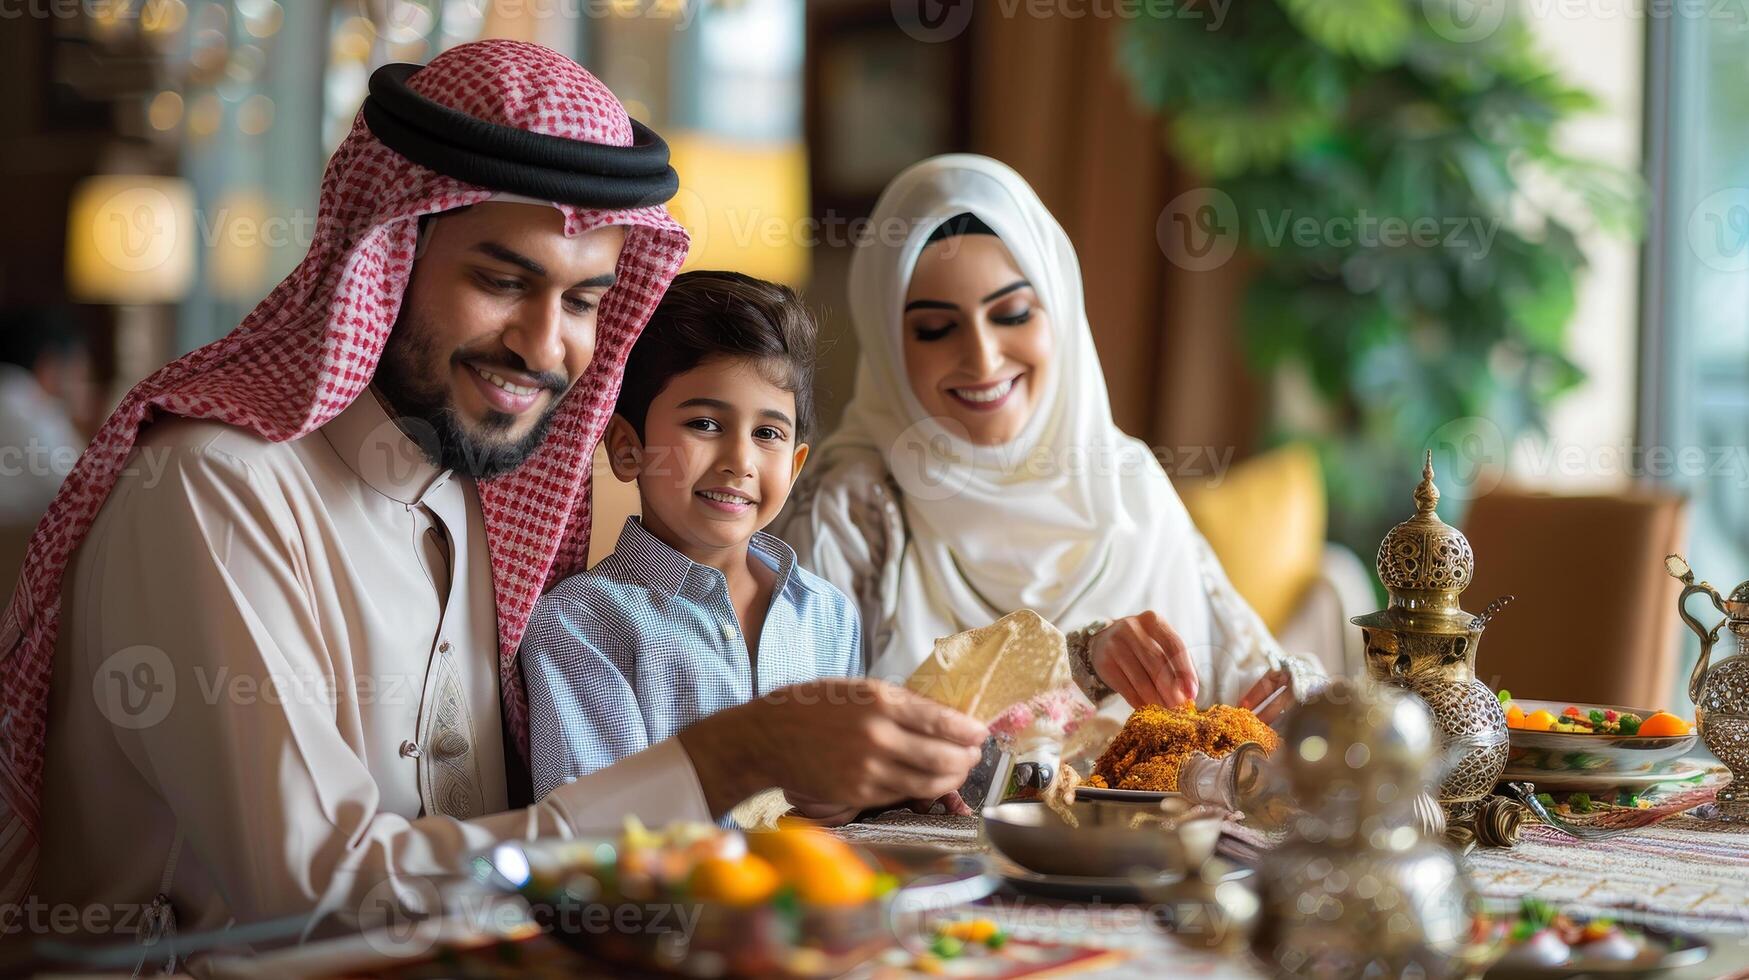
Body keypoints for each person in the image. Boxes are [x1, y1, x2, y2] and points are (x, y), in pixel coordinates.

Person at [0, 42, 982, 948]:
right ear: (387, 262)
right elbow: (314, 895)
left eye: (587, 301)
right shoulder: (218, 491)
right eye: (504, 279)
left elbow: (500, 849)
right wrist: (727, 756)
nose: (547, 344)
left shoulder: (479, 496)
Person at [779, 154, 1324, 729]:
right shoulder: (853, 509)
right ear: (889, 343)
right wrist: (1081, 660)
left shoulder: (1128, 485)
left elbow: (1257, 686)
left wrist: (1296, 695)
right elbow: (805, 738)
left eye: (1012, 314)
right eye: (936, 329)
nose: (983, 358)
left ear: (1059, 313)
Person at [522, 271, 860, 802]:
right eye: (704, 424)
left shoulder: (829, 616)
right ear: (628, 449)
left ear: (795, 466)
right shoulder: (580, 625)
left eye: (768, 434)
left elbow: (845, 792)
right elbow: (594, 827)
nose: (739, 462)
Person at [0, 306, 96, 524]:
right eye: (80, 372)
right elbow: (81, 491)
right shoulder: (24, 410)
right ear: (49, 365)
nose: (83, 383)